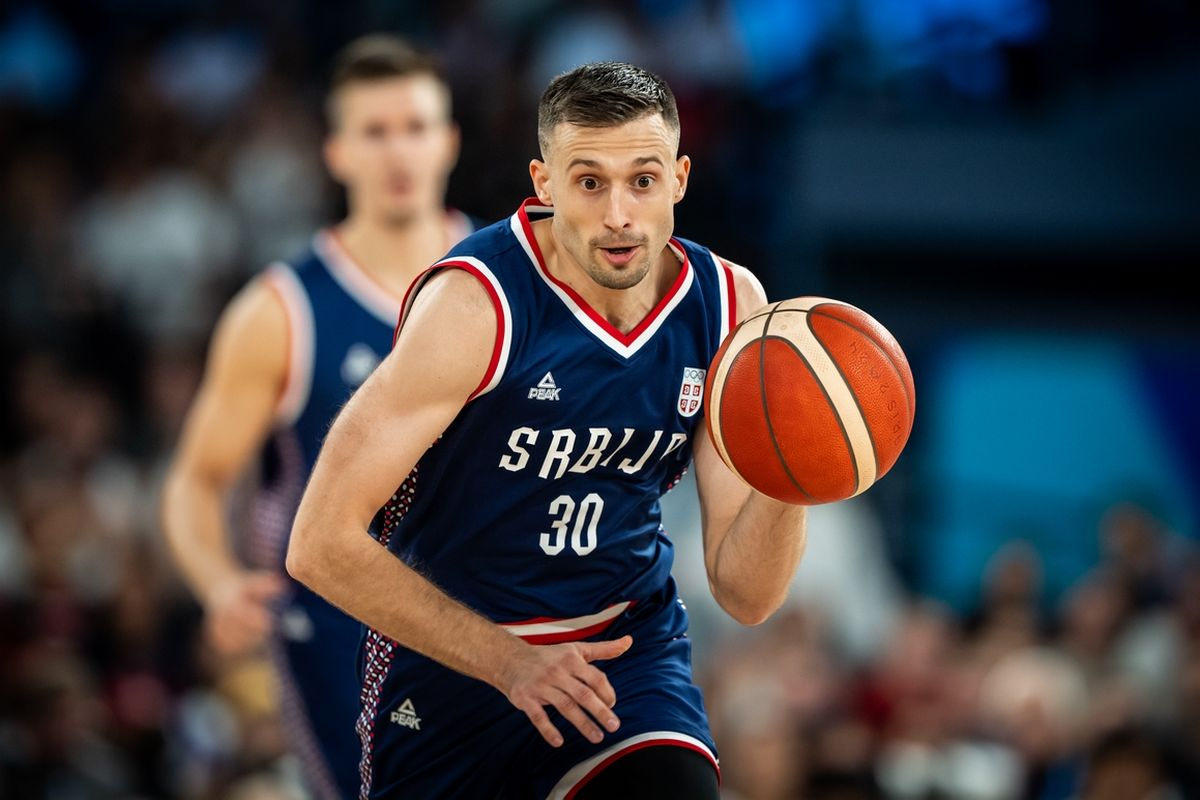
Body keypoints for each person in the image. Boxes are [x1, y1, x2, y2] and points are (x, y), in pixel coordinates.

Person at [286, 61, 808, 799]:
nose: (620, 214)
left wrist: (797, 470)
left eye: (643, 180)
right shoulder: (475, 306)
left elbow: (747, 595)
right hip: (453, 664)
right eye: (590, 182)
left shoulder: (729, 305)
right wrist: (509, 662)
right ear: (545, 183)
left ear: (680, 179)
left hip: (623, 652)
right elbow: (318, 543)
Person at [160, 34, 473, 800]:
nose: (398, 151)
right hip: (337, 628)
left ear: (449, 141)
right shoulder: (281, 311)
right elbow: (196, 480)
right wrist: (218, 582)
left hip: (488, 605)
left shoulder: (515, 278)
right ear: (337, 153)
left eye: (415, 127)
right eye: (375, 131)